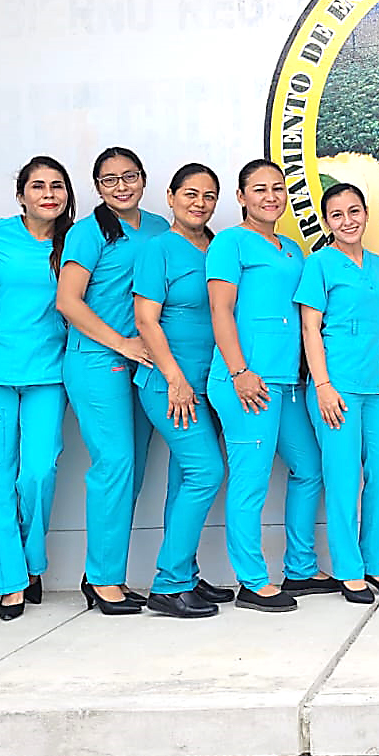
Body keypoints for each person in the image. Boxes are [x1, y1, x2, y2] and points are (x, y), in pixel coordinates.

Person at [208, 159, 334, 613]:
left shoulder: (292, 250)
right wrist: (239, 372)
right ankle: (252, 581)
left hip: (288, 383)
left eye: (278, 188)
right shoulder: (229, 243)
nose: (270, 196)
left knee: (310, 468)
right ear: (241, 197)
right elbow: (221, 311)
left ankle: (300, 568)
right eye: (259, 189)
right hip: (247, 382)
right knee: (251, 482)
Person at [57, 147, 169, 615]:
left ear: (143, 178)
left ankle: (103, 572)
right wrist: (121, 344)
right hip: (97, 361)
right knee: (115, 464)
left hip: (145, 362)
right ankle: (104, 581)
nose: (121, 186)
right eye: (109, 180)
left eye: (129, 176)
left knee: (134, 469)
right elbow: (68, 301)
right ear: (97, 187)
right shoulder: (87, 232)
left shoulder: (160, 228)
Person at [0, 156, 74, 620]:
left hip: (49, 372)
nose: (48, 193)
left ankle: (31, 561)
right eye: (38, 186)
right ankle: (10, 581)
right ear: (21, 194)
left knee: (38, 472)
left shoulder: (76, 241)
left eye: (57, 185)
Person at [295, 183, 379, 605]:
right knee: (342, 480)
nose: (347, 220)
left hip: (377, 389)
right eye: (337, 214)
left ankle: (377, 564)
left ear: (366, 214)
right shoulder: (319, 264)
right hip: (336, 386)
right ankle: (349, 571)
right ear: (327, 222)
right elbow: (310, 329)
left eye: (354, 211)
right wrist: (322, 386)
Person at [132, 164, 230, 618]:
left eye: (209, 196)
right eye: (190, 193)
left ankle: (185, 574)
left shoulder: (219, 247)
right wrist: (174, 379)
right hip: (170, 385)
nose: (199, 203)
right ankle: (169, 584)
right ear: (170, 197)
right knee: (206, 472)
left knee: (184, 479)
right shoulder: (158, 249)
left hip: (211, 384)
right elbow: (145, 320)